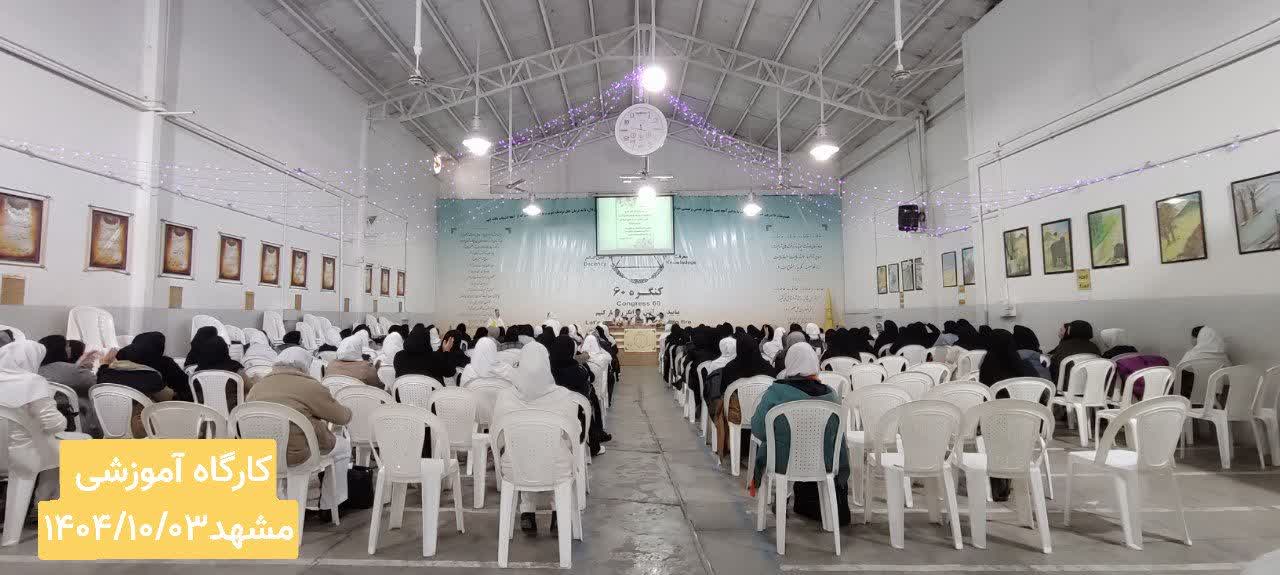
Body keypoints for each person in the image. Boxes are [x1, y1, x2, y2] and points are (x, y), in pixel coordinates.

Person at [749, 343, 851, 525]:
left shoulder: (775, 393)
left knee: (780, 445)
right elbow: (836, 435)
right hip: (823, 460)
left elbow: (758, 429)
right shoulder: (832, 396)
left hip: (782, 462)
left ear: (790, 362)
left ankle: (782, 498)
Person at [246, 347, 351, 510]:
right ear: (305, 366)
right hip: (297, 455)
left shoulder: (257, 387)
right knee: (343, 446)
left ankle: (281, 500)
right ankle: (331, 505)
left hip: (262, 453)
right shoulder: (310, 386)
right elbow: (342, 418)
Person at [491, 342, 579, 534]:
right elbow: (574, 434)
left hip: (514, 469)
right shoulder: (563, 396)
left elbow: (497, 439)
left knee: (523, 451)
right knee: (556, 450)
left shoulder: (504, 396)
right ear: (547, 364)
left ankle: (527, 512)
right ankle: (558, 512)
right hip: (556, 469)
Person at [0, 340, 69, 504]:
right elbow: (54, 424)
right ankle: (43, 503)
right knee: (63, 455)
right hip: (19, 456)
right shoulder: (33, 382)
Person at [712, 333, 775, 456]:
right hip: (762, 415)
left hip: (737, 417)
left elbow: (722, 392)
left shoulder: (730, 368)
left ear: (738, 348)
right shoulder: (768, 368)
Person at [548, 335, 607, 455]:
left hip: (551, 417)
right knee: (588, 402)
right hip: (575, 418)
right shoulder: (578, 371)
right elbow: (590, 379)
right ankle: (594, 445)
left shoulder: (547, 370)